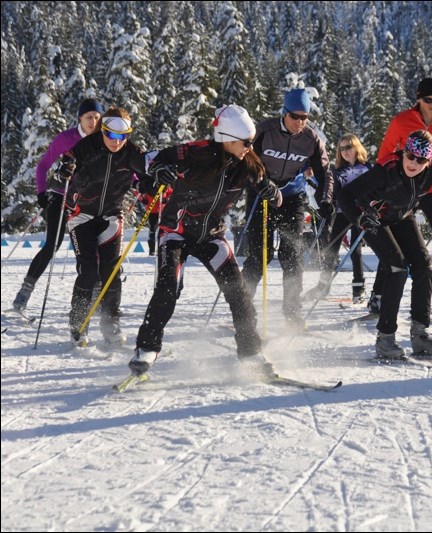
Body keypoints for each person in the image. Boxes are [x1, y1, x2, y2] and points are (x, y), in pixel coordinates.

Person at [129, 105, 277, 375]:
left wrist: (271, 191)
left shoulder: (249, 162)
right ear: (227, 138)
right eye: (246, 141)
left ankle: (250, 352)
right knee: (168, 288)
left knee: (239, 292)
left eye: (252, 141)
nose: (250, 146)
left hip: (211, 235)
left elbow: (273, 194)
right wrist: (160, 169)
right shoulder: (196, 152)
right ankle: (147, 349)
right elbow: (144, 161)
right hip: (176, 232)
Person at [339, 131, 432, 359]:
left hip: (402, 217)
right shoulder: (386, 170)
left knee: (424, 266)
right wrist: (359, 218)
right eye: (410, 156)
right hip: (374, 220)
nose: (414, 163)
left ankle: (420, 333)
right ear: (404, 153)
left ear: (428, 161)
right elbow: (345, 195)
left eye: (421, 159)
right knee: (397, 268)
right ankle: (385, 338)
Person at [240, 88, 334, 330]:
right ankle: (241, 306)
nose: (300, 122)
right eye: (296, 117)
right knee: (260, 255)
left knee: (292, 256)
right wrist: (260, 183)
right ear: (285, 113)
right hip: (262, 195)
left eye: (305, 118)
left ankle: (292, 311)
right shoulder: (264, 131)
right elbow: (244, 157)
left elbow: (325, 173)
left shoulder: (311, 139)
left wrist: (326, 200)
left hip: (291, 198)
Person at [377, 77, 432, 320]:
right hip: (405, 187)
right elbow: (386, 152)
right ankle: (377, 296)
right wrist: (383, 184)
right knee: (394, 242)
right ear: (418, 99)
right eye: (429, 100)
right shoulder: (402, 120)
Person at [63, 107, 147, 346]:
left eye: (123, 136)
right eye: (111, 135)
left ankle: (110, 321)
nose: (117, 142)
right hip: (82, 215)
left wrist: (151, 182)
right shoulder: (87, 147)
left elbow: (146, 172)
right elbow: (68, 160)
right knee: (88, 270)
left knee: (111, 272)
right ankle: (78, 322)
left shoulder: (132, 152)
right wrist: (66, 168)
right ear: (104, 130)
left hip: (111, 215)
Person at [12, 98, 103, 313]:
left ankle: (97, 297)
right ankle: (24, 293)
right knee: (52, 245)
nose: (93, 122)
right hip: (60, 196)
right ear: (80, 118)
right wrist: (42, 193)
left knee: (91, 249)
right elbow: (43, 166)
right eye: (89, 117)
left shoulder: (102, 140)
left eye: (97, 118)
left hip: (85, 200)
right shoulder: (66, 138)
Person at [303, 133, 371, 304]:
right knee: (332, 248)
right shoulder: (338, 171)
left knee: (356, 250)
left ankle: (358, 287)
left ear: (357, 147)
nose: (345, 151)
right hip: (342, 212)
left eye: (348, 147)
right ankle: (323, 286)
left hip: (360, 212)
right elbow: (331, 187)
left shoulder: (367, 168)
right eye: (342, 149)